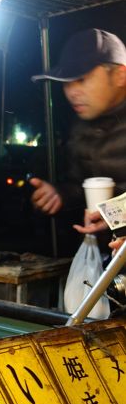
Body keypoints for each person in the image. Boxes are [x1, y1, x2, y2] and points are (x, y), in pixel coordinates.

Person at [29, 28, 126, 251]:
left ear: (120, 75)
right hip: (109, 263)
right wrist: (60, 194)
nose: (71, 92)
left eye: (81, 79)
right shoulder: (80, 127)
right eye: (65, 82)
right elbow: (80, 184)